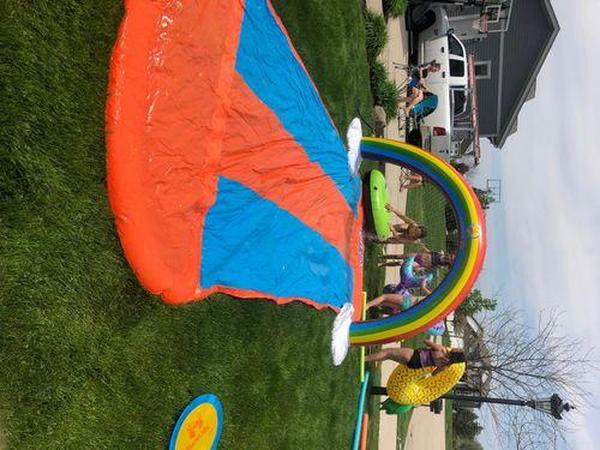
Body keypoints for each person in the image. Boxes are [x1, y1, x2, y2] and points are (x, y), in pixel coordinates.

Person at [365, 339, 466, 373]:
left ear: (456, 352)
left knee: (387, 352)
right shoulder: (446, 365)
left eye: (457, 349)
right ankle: (370, 358)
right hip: (416, 365)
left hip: (415, 356)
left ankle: (365, 359)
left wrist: (435, 345)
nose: (456, 348)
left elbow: (426, 341)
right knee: (390, 356)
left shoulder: (442, 349)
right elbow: (433, 374)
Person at [379, 251, 454, 268]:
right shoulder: (441, 253)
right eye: (451, 256)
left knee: (399, 263)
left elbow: (429, 266)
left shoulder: (441, 265)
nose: (449, 257)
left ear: (450, 263)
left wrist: (420, 267)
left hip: (419, 263)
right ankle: (381, 256)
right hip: (418, 255)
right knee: (398, 256)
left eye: (451, 259)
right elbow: (429, 252)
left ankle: (382, 264)